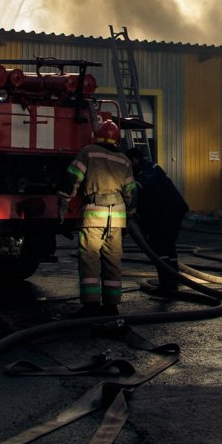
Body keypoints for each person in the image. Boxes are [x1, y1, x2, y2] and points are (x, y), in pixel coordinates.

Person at [57, 119, 137, 316]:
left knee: (90, 259)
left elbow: (71, 178)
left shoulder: (88, 152)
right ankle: (112, 306)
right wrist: (131, 216)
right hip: (117, 218)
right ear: (117, 141)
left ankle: (91, 305)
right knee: (113, 261)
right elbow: (131, 193)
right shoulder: (124, 160)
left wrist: (63, 201)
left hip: (94, 215)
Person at [125, 146, 189, 297]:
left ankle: (167, 285)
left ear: (134, 160)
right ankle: (171, 283)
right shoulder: (146, 169)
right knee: (167, 247)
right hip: (166, 212)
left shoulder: (149, 169)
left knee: (159, 247)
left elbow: (137, 188)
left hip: (167, 212)